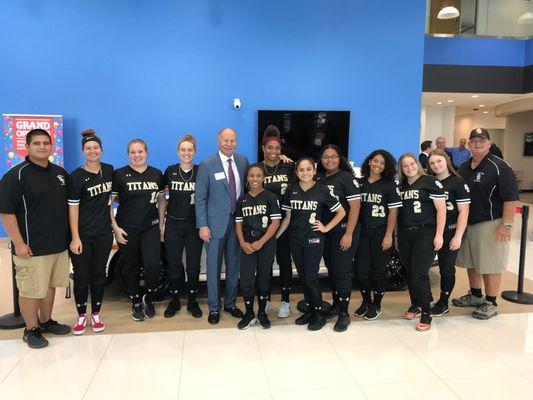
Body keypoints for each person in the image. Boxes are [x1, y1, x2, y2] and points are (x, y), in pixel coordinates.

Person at [0, 129, 71, 348]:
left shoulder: (59, 173)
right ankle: (30, 330)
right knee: (31, 290)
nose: (42, 147)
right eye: (37, 143)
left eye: (46, 143)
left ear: (51, 146)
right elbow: (6, 212)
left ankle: (46, 321)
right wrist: (19, 244)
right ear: (27, 147)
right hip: (31, 248)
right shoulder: (16, 175)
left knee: (50, 286)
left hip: (58, 246)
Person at [452, 128, 519, 319]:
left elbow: (511, 198)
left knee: (490, 264)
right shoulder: (464, 167)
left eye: (482, 140)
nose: (477, 143)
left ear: (489, 143)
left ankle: (491, 302)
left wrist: (506, 224)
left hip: (491, 223)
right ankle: (475, 295)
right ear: (468, 144)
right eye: (474, 140)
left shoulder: (500, 166)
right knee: (472, 261)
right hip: (468, 222)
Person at [277, 158, 346, 331]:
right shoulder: (292, 189)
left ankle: (319, 314)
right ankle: (310, 310)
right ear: (297, 172)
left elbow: (341, 211)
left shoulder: (322, 190)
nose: (305, 173)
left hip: (313, 240)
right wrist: (276, 235)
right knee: (303, 277)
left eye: (308, 169)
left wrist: (326, 228)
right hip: (295, 239)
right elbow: (287, 218)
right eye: (301, 170)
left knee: (311, 278)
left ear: (314, 171)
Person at [195, 128, 249, 324]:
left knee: (234, 266)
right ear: (218, 142)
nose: (229, 144)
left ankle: (231, 304)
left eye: (232, 140)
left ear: (236, 142)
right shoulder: (207, 164)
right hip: (214, 225)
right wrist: (202, 225)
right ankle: (214, 307)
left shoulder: (243, 161)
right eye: (225, 140)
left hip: (237, 224)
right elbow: (200, 198)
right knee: (213, 267)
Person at [111, 139, 165, 321]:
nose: (137, 155)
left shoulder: (157, 174)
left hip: (150, 227)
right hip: (126, 228)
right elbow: (108, 204)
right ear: (128, 154)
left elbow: (162, 199)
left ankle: (149, 298)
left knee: (153, 266)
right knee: (131, 267)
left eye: (140, 151)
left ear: (146, 152)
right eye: (133, 152)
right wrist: (115, 228)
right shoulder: (119, 174)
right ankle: (135, 301)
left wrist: (162, 222)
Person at [68, 129, 113, 335]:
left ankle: (96, 313)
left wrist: (114, 226)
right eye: (88, 148)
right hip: (83, 235)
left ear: (102, 150)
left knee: (99, 274)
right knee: (81, 276)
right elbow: (73, 208)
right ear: (83, 151)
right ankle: (80, 315)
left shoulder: (109, 170)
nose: (93, 151)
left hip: (103, 233)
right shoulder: (76, 177)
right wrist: (75, 237)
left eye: (96, 148)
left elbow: (110, 202)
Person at [397, 153, 446, 331]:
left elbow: (441, 210)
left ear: (417, 164)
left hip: (426, 233)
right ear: (401, 169)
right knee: (409, 273)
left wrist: (439, 235)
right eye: (405, 166)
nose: (409, 168)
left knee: (419, 274)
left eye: (412, 164)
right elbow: (397, 214)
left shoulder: (430, 182)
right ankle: (416, 304)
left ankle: (427, 312)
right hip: (405, 234)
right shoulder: (400, 186)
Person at [316, 145, 361, 332]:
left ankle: (344, 313)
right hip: (326, 231)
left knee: (342, 272)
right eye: (325, 157)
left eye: (333, 157)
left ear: (339, 158)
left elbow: (356, 207)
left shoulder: (347, 178)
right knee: (332, 270)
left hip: (343, 231)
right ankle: (335, 305)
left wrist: (349, 233)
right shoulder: (318, 177)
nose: (329, 160)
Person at [353, 150, 402, 321]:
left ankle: (377, 304)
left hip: (381, 231)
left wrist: (389, 235)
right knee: (360, 270)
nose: (378, 165)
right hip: (362, 231)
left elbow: (393, 212)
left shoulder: (389, 185)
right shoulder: (359, 183)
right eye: (375, 161)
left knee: (379, 270)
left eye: (382, 163)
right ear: (369, 162)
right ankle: (366, 301)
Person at [162, 134, 203, 318]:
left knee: (193, 266)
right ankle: (175, 300)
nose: (186, 153)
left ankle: (192, 302)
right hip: (173, 225)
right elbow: (162, 198)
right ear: (178, 152)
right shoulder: (170, 171)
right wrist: (161, 222)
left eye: (190, 150)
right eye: (183, 150)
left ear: (195, 152)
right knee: (174, 265)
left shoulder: (201, 171)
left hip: (194, 226)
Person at [235, 164, 281, 329]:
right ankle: (249, 313)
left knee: (263, 279)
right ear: (247, 178)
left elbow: (275, 222)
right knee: (246, 279)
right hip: (247, 244)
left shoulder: (271, 197)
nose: (255, 179)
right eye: (251, 176)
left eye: (258, 175)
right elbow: (238, 224)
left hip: (266, 244)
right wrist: (242, 243)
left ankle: (262, 312)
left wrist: (261, 242)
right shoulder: (242, 199)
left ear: (263, 178)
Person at [427, 149, 470, 316]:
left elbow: (464, 212)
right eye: (432, 163)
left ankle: (443, 302)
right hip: (430, 231)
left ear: (447, 161)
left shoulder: (457, 182)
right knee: (422, 267)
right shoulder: (428, 181)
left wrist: (458, 236)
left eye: (439, 161)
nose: (436, 165)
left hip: (450, 231)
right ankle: (427, 297)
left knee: (446, 268)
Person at [260, 125, 295, 318]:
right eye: (270, 148)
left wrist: (291, 161)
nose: (274, 151)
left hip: (285, 224)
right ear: (263, 148)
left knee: (284, 262)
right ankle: (264, 301)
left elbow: (307, 174)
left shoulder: (289, 166)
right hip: (264, 225)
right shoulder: (257, 168)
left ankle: (285, 301)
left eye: (277, 148)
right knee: (265, 265)